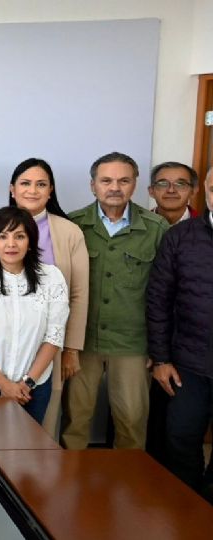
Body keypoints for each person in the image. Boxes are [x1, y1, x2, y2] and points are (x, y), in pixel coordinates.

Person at [62, 152, 169, 450]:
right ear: (92, 185)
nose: (115, 187)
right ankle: (71, 489)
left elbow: (166, 292)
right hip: (82, 343)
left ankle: (126, 493)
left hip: (133, 343)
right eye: (106, 180)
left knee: (132, 423)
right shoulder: (73, 225)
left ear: (135, 184)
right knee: (75, 421)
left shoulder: (156, 228)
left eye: (124, 180)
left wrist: (159, 349)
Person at [0, 207, 69, 423]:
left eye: (19, 236)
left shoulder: (52, 277)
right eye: (2, 236)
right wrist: (3, 384)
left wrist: (27, 383)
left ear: (30, 242)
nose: (11, 244)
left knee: (26, 450)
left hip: (34, 387)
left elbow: (54, 335)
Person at [7, 158, 89, 437]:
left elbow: (78, 294)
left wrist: (71, 349)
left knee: (42, 423)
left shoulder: (68, 232)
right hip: (0, 345)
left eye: (41, 184)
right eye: (25, 183)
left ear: (51, 191)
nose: (32, 190)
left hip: (50, 346)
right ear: (12, 189)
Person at [147, 166, 213, 502]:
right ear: (207, 191)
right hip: (189, 361)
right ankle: (188, 507)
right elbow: (159, 301)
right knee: (181, 436)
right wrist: (161, 358)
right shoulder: (181, 236)